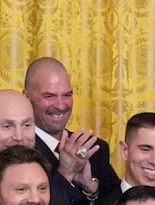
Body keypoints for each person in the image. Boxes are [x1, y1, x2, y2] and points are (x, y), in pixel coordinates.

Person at [23, 55, 119, 194]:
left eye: (67, 95)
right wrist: (65, 174)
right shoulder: (18, 152)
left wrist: (91, 189)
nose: (61, 106)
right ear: (26, 98)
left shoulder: (93, 149)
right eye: (49, 96)